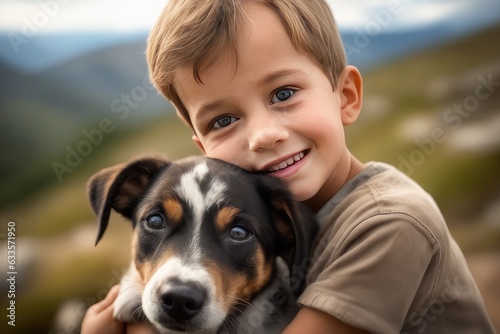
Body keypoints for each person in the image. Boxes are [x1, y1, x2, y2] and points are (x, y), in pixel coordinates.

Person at [82, 0, 495, 333]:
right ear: (203, 148)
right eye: (223, 120)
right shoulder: (267, 212)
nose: (262, 135)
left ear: (346, 96)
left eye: (284, 93)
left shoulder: (393, 223)